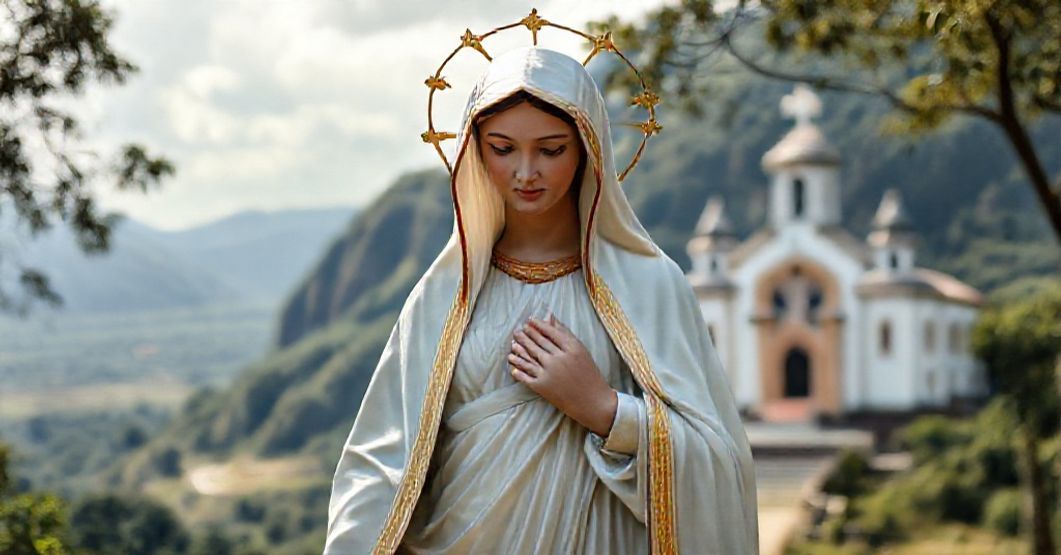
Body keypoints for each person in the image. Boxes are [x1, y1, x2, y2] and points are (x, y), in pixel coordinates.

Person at [324, 45, 759, 554]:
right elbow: (382, 464)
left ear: (587, 149)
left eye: (551, 150)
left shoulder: (650, 286)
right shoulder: (444, 296)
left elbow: (720, 465)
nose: (525, 172)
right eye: (503, 148)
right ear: (474, 150)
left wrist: (604, 409)